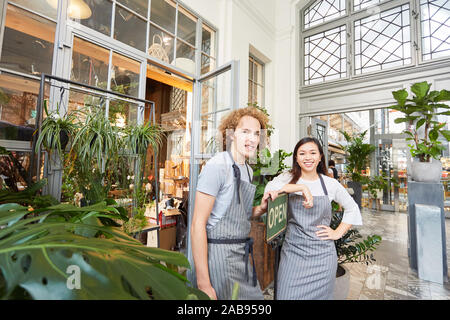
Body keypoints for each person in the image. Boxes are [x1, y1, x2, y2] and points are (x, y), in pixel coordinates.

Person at [191, 107, 273, 300]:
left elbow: (241, 214)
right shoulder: (217, 166)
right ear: (231, 134)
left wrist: (260, 209)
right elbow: (197, 225)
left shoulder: (248, 171)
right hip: (218, 257)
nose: (252, 139)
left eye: (256, 134)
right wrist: (204, 284)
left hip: (240, 255)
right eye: (245, 132)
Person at [265, 137, 362, 300]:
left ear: (320, 157)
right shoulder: (287, 178)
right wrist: (302, 188)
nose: (307, 157)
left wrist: (337, 233)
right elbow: (270, 191)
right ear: (296, 158)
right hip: (293, 254)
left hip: (323, 258)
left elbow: (352, 208)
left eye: (312, 153)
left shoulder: (330, 184)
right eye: (302, 153)